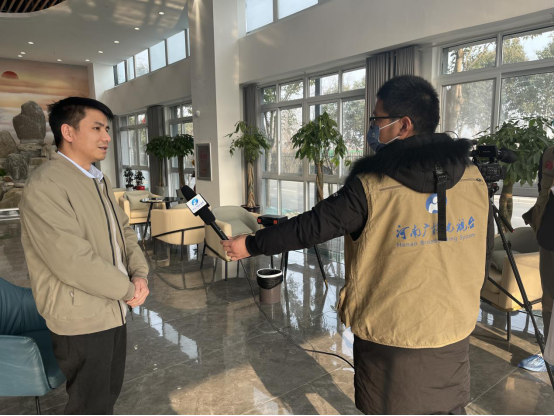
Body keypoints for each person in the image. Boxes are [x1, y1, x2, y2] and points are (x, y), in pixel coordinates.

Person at [222, 75, 495, 415]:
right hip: (452, 324)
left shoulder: (371, 185)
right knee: (447, 405)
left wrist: (252, 244)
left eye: (377, 119)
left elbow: (312, 226)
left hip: (390, 331)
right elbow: (482, 249)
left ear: (404, 125)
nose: (373, 128)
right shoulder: (474, 177)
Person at [19, 97, 150, 415]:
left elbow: (123, 232)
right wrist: (127, 290)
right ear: (68, 131)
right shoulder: (46, 185)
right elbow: (73, 261)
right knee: (89, 405)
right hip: (81, 317)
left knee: (107, 395)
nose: (106, 136)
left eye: (107, 129)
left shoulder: (98, 179)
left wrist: (140, 274)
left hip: (113, 308)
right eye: (97, 128)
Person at [524, 146, 554, 342]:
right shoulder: (549, 153)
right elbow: (542, 189)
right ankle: (550, 348)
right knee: (549, 298)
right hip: (547, 237)